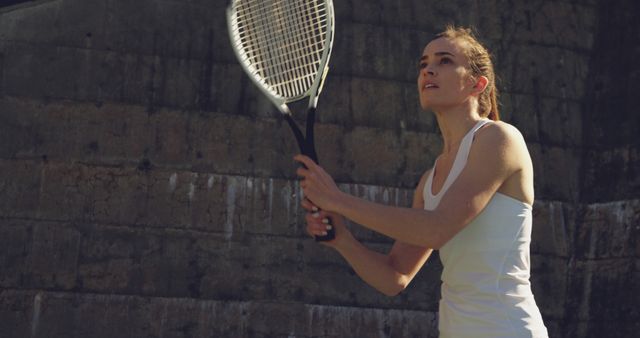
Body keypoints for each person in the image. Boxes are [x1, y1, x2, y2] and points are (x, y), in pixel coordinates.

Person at [294, 26, 549, 337]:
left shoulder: (499, 138)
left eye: (444, 61)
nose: (428, 69)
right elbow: (394, 277)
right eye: (423, 63)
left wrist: (337, 200)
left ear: (477, 83)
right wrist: (343, 240)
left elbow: (437, 228)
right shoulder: (429, 180)